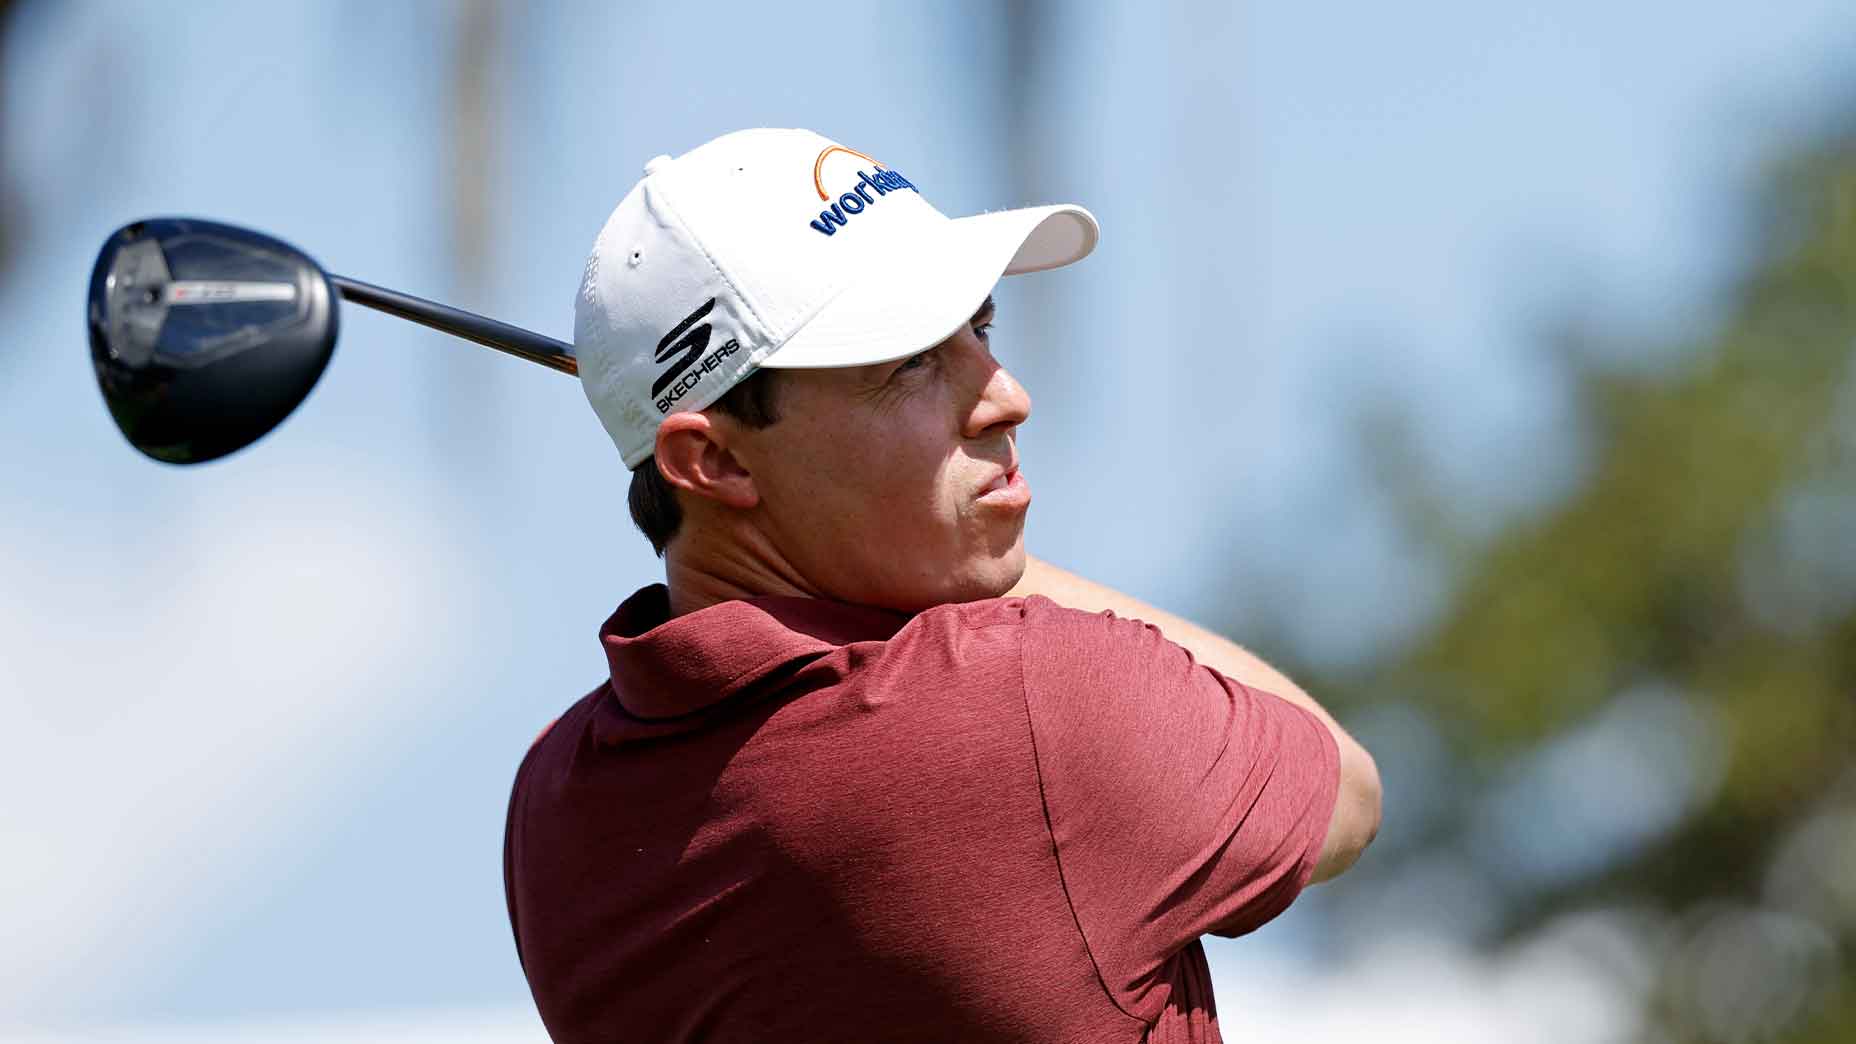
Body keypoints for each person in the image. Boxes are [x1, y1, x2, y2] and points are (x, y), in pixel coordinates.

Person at [503, 128, 1381, 1044]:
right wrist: (982, 560)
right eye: (911, 362)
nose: (1005, 396)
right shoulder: (1030, 696)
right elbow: (1346, 791)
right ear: (713, 458)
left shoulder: (554, 804)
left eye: (979, 328)